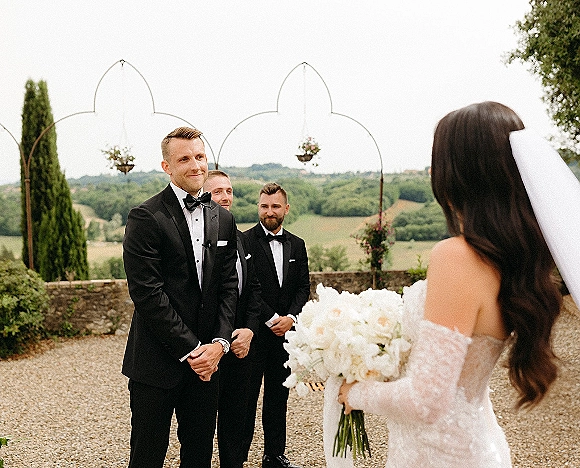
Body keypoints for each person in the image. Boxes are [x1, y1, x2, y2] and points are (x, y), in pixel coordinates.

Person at [338, 102, 564, 467]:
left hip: (443, 455)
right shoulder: (513, 258)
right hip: (474, 443)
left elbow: (426, 400)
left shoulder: (457, 257)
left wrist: (355, 392)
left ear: (458, 171)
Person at [122, 127, 238, 468]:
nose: (195, 165)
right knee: (147, 457)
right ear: (166, 166)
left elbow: (229, 286)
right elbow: (147, 293)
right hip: (155, 362)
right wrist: (192, 349)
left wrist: (219, 344)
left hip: (207, 366)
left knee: (199, 455)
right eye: (184, 158)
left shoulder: (224, 219)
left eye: (200, 157)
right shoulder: (145, 217)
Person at [242, 182, 310, 468]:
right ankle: (236, 459)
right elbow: (248, 289)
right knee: (245, 401)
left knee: (277, 398)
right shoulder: (244, 241)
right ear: (259, 207)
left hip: (286, 338)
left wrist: (291, 318)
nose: (269, 212)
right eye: (264, 206)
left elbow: (303, 288)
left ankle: (274, 456)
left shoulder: (297, 244)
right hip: (255, 333)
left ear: (286, 209)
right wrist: (271, 319)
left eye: (275, 206)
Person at [203, 170, 264, 468]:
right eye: (217, 192)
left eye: (228, 191)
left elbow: (254, 291)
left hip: (241, 349)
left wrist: (250, 330)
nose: (225, 197)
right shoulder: (196, 241)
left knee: (238, 424)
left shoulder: (242, 239)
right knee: (200, 428)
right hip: (207, 348)